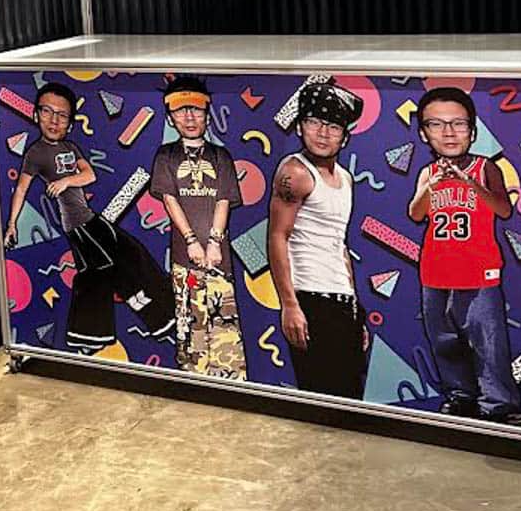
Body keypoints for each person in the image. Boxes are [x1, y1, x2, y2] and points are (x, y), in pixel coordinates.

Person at [4, 82, 174, 353]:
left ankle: (160, 315)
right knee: (101, 269)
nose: (54, 120)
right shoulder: (36, 153)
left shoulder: (71, 147)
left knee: (127, 255)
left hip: (89, 219)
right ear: (36, 115)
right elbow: (22, 189)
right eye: (47, 111)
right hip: (78, 225)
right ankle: (98, 331)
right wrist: (12, 224)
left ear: (70, 123)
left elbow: (90, 175)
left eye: (62, 115)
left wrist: (66, 181)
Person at [407, 86, 521, 425]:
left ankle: (498, 404)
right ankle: (460, 396)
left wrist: (470, 184)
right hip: (435, 273)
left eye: (458, 124)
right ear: (424, 133)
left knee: (488, 342)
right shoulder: (428, 173)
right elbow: (416, 214)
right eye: (436, 124)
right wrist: (430, 187)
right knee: (444, 340)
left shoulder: (485, 167)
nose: (448, 132)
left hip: (479, 273)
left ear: (472, 132)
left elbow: (503, 209)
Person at [267, 78, 367, 399]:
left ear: (345, 136)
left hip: (343, 303)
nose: (323, 133)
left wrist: (355, 308)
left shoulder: (346, 179)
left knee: (350, 400)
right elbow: (277, 237)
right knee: (321, 400)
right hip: (310, 299)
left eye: (333, 126)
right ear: (300, 127)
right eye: (314, 122)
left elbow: (339, 244)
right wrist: (290, 305)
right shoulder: (294, 173)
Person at [150, 74, 246, 380]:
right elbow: (170, 200)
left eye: (196, 109)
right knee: (190, 325)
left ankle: (230, 384)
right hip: (184, 260)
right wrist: (191, 240)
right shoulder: (165, 156)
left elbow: (223, 200)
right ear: (170, 117)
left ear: (207, 113)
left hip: (219, 261)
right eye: (181, 111)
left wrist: (214, 243)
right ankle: (194, 382)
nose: (189, 117)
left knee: (224, 326)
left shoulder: (221, 156)